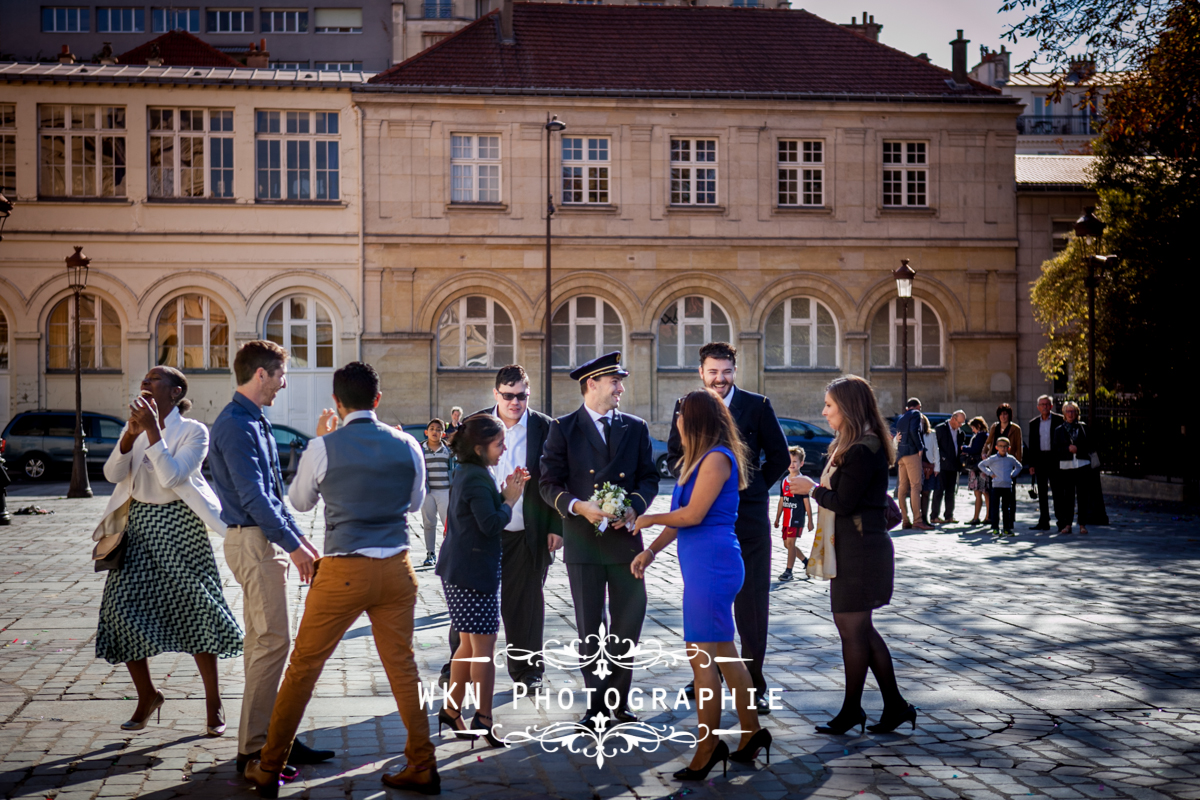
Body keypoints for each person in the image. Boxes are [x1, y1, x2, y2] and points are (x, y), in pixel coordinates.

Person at [243, 362, 437, 798]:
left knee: (304, 668)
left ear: (336, 402)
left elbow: (300, 502)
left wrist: (318, 441)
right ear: (377, 400)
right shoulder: (408, 444)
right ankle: (423, 763)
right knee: (403, 669)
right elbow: (414, 503)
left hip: (344, 569)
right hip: (396, 567)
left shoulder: (324, 446)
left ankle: (270, 765)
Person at [94, 366, 241, 735]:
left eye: (153, 381)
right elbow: (112, 474)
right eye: (142, 380)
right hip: (140, 526)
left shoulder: (194, 431)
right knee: (120, 611)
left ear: (175, 392)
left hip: (181, 526)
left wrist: (154, 431)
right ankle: (147, 695)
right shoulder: (137, 428)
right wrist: (129, 438)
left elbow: (173, 477)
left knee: (197, 608)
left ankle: (214, 702)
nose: (144, 384)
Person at [208, 341, 331, 776]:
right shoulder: (235, 425)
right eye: (281, 375)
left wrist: (299, 540)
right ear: (260, 374)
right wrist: (294, 547)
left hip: (263, 539)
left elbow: (275, 498)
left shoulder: (254, 419)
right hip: (252, 541)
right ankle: (256, 751)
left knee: (265, 645)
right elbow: (253, 498)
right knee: (271, 644)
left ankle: (274, 738)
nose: (284, 383)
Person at [630, 388, 766, 781]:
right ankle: (751, 732)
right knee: (724, 653)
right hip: (704, 565)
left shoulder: (718, 459)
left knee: (702, 659)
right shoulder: (697, 461)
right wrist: (651, 551)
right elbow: (681, 517)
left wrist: (648, 520)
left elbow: (691, 516)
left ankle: (708, 746)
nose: (676, 422)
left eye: (680, 415)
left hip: (714, 566)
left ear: (696, 420)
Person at [665, 342, 789, 713]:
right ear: (701, 372)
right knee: (706, 601)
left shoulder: (757, 405)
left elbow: (780, 457)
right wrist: (695, 483)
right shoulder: (686, 406)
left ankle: (755, 684)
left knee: (751, 605)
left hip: (747, 520)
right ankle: (708, 675)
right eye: (713, 372)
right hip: (701, 523)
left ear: (735, 370)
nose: (720, 379)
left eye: (726, 372)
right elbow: (674, 455)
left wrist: (746, 489)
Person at [539, 351, 659, 727]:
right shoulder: (564, 427)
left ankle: (618, 701)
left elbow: (649, 478)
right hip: (584, 542)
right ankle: (596, 703)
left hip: (626, 542)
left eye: (620, 382)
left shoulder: (635, 427)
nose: (621, 389)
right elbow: (547, 483)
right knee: (590, 627)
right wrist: (577, 507)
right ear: (592, 384)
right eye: (615, 382)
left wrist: (634, 507)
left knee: (628, 621)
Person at [790, 376, 915, 735]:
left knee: (852, 630)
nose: (824, 411)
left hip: (862, 551)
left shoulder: (864, 448)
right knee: (860, 630)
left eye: (829, 405)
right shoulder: (854, 445)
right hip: (854, 547)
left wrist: (812, 489)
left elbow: (844, 502)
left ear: (847, 407)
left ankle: (853, 711)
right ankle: (894, 706)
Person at [435, 413, 528, 748]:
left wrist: (504, 493)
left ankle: (450, 710)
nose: (504, 449)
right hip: (472, 574)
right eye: (499, 443)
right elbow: (491, 524)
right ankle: (484, 718)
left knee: (467, 646)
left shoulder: (472, 471)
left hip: (461, 570)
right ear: (479, 447)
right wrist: (509, 500)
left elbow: (482, 517)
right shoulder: (475, 477)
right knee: (483, 650)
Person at [1052, 401, 1103, 535]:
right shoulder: (1059, 430)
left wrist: (1078, 449)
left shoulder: (1083, 428)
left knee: (1082, 496)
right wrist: (1067, 449)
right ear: (1064, 413)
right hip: (1066, 466)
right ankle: (1067, 524)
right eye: (1068, 411)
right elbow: (1056, 449)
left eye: (1073, 411)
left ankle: (1082, 524)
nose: (1070, 414)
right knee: (1067, 497)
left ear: (1077, 413)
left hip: (1082, 465)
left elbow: (1090, 445)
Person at [774, 446, 813, 581]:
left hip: (796, 518)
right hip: (786, 518)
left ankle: (788, 571)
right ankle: (806, 562)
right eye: (790, 461)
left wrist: (810, 520)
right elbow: (781, 500)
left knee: (790, 544)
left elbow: (807, 502)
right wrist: (778, 517)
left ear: (801, 463)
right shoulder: (784, 481)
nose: (792, 464)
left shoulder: (803, 481)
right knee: (787, 545)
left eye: (795, 461)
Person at [894, 398, 933, 530]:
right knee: (916, 486)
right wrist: (920, 447)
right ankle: (917, 520)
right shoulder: (916, 414)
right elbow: (913, 431)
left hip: (901, 455)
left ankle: (905, 520)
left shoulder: (901, 417)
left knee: (902, 488)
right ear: (918, 406)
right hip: (911, 453)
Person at [419, 418, 454, 567]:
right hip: (427, 493)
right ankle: (430, 553)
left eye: (438, 429)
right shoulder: (420, 449)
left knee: (449, 524)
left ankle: (450, 553)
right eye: (432, 428)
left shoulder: (448, 451)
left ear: (443, 433)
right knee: (429, 523)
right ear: (426, 432)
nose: (435, 431)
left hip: (445, 491)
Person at [1026, 395, 1063, 531]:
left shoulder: (1059, 420)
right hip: (1040, 459)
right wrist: (1031, 465)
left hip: (1054, 460)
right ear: (1038, 407)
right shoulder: (1034, 423)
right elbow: (1032, 444)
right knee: (1042, 492)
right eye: (1042, 404)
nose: (1044, 407)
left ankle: (1061, 521)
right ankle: (1044, 521)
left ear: (1051, 406)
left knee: (1057, 491)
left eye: (1047, 404)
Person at [978, 438, 1023, 537]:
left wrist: (1012, 474)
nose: (1003, 448)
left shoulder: (1011, 459)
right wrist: (990, 473)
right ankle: (995, 528)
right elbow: (981, 465)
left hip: (1007, 486)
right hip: (996, 486)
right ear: (996, 447)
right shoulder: (993, 459)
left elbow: (1019, 466)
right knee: (995, 508)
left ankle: (1007, 528)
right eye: (1001, 446)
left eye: (1005, 446)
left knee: (1006, 508)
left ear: (1009, 448)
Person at [931, 411, 966, 524]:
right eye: (959, 423)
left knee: (951, 492)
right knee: (938, 491)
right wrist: (938, 461)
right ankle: (934, 516)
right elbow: (935, 447)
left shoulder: (961, 433)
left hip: (954, 466)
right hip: (942, 465)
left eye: (962, 424)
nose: (960, 425)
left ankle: (949, 516)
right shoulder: (940, 429)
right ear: (953, 419)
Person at [964, 416, 990, 526]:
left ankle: (985, 517)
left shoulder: (981, 436)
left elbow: (976, 449)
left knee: (983, 492)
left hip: (979, 467)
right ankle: (978, 517)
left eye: (973, 428)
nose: (972, 430)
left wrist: (964, 448)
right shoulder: (984, 435)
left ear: (978, 426)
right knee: (980, 492)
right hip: (980, 467)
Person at [918, 413, 940, 528]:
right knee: (917, 493)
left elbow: (936, 450)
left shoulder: (931, 434)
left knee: (926, 492)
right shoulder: (914, 433)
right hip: (917, 466)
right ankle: (918, 518)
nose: (920, 423)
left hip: (929, 467)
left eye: (922, 421)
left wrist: (937, 467)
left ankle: (925, 518)